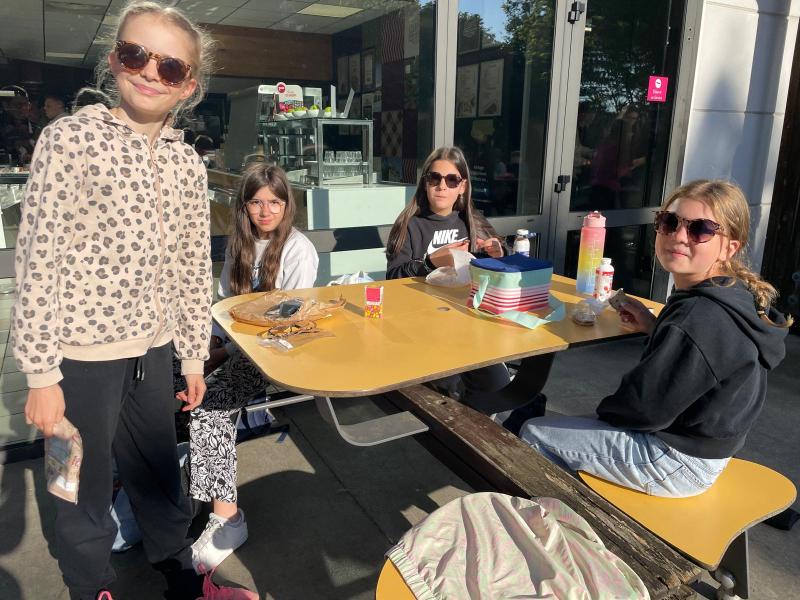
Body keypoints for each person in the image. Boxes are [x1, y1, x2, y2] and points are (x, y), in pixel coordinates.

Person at [10, 2, 238, 598]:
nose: (150, 73)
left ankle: (182, 579)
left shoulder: (186, 162)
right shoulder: (69, 139)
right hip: (79, 358)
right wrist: (40, 374)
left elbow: (192, 265)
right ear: (114, 60)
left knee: (160, 479)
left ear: (188, 85)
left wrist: (193, 356)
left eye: (170, 66)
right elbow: (37, 258)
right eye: (136, 55)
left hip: (155, 353)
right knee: (78, 487)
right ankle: (90, 588)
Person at [521, 180, 791, 498]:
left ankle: (572, 521)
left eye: (700, 229)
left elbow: (643, 408)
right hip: (705, 449)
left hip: (676, 460)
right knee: (568, 428)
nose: (679, 236)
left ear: (729, 247)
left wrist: (603, 415)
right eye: (670, 221)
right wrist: (656, 326)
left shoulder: (699, 316)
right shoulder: (729, 293)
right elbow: (705, 358)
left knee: (534, 434)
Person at [185, 163, 318, 572]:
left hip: (278, 352)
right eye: (257, 202)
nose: (266, 211)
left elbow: (287, 322)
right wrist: (211, 345)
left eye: (275, 202)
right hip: (238, 347)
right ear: (244, 206)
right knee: (173, 383)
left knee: (210, 409)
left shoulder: (297, 249)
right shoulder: (239, 245)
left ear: (287, 205)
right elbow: (224, 305)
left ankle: (228, 519)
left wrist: (223, 353)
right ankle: (168, 493)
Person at [385, 146, 512, 408]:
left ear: (462, 186)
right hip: (420, 331)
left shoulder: (473, 221)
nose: (442, 186)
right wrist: (430, 262)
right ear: (425, 183)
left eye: (451, 179)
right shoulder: (409, 224)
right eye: (434, 178)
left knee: (499, 386)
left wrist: (499, 253)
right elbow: (392, 278)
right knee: (450, 395)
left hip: (470, 327)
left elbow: (500, 269)